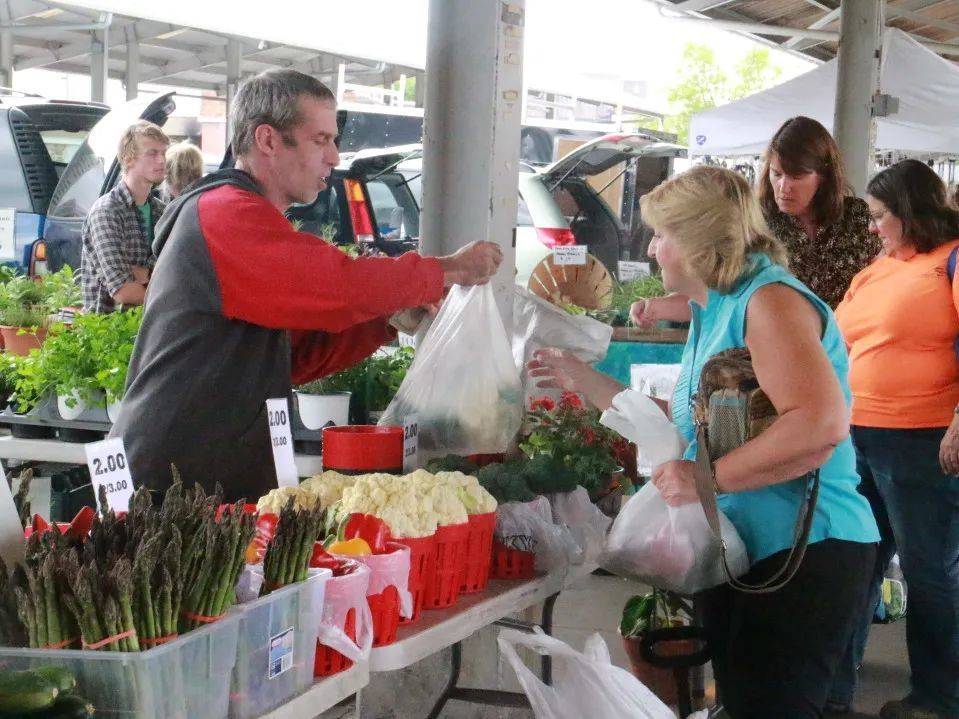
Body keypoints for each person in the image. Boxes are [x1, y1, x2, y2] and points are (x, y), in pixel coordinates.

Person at [528, 166, 879, 718]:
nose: (652, 249)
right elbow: (699, 425)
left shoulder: (770, 302)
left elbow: (818, 424)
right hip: (742, 547)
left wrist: (703, 479)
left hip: (805, 550)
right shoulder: (714, 306)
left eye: (662, 235)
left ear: (696, 241)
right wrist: (590, 383)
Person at [110, 69, 502, 501]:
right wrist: (446, 270)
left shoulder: (242, 215)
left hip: (209, 473)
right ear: (268, 140)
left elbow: (291, 358)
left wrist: (384, 321)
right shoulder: (224, 212)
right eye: (321, 140)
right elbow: (338, 282)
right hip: (170, 476)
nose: (334, 157)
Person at [832, 159, 959, 719]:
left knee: (926, 570)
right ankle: (834, 687)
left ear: (910, 213)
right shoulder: (879, 268)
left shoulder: (950, 260)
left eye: (881, 216)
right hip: (855, 435)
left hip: (922, 440)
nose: (872, 226)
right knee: (854, 562)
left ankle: (937, 697)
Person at [632, 116, 878, 327]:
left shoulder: (858, 218)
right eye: (777, 174)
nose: (784, 187)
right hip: (770, 351)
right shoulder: (755, 221)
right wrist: (655, 307)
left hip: (849, 353)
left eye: (797, 176)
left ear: (824, 176)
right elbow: (719, 293)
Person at [80, 120, 169, 313]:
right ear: (128, 159)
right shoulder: (106, 211)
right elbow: (123, 291)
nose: (161, 160)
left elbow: (173, 273)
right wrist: (172, 300)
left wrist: (142, 273)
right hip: (108, 334)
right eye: (152, 153)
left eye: (163, 153)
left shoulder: (163, 211)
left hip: (151, 332)